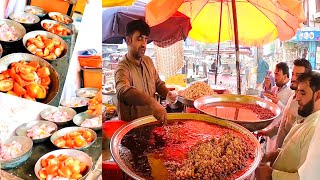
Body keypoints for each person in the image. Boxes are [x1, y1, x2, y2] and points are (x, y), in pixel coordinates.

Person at [255, 71, 320, 180]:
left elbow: (307, 177)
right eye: (298, 92)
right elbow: (291, 151)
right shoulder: (303, 118)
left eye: (303, 93)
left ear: (318, 95)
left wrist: (271, 175)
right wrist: (271, 155)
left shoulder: (315, 129)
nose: (298, 98)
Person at [114, 19, 177, 123]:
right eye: (139, 39)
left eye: (145, 39)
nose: (144, 44)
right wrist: (151, 102)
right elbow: (123, 91)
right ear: (129, 41)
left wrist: (167, 93)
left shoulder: (148, 61)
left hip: (152, 123)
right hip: (132, 128)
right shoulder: (122, 68)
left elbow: (157, 83)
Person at [275, 59, 312, 149]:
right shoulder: (292, 95)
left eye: (298, 75)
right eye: (293, 74)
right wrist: (268, 132)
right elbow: (283, 123)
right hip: (277, 153)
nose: (294, 78)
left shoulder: (305, 106)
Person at [259, 62, 293, 152]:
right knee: (267, 151)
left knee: (274, 153)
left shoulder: (291, 91)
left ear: (285, 76)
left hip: (280, 130)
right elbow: (268, 96)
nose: (275, 77)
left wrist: (278, 102)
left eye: (277, 74)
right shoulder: (276, 88)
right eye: (274, 74)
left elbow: (289, 113)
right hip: (271, 127)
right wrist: (267, 86)